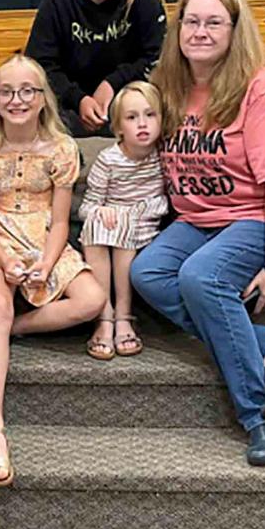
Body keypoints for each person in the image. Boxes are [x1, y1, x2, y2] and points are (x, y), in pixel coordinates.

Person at [131, 0, 265, 467]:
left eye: (214, 22)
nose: (200, 31)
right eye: (191, 22)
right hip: (201, 220)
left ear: (235, 31)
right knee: (147, 273)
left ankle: (262, 416)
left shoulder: (261, 90)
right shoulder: (169, 86)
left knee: (202, 277)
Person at [0, 54, 106, 487]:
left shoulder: (62, 148)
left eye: (27, 90)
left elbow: (62, 220)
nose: (17, 99)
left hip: (45, 237)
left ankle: (18, 330)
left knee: (93, 299)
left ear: (43, 98)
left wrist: (46, 261)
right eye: (6, 91)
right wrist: (4, 260)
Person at [24, 0, 167, 137]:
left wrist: (112, 83)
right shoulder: (58, 0)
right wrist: (78, 99)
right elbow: (40, 64)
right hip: (69, 104)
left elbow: (157, 58)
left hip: (127, 100)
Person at [79, 80, 169, 361]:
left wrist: (133, 212)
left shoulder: (163, 156)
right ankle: (104, 316)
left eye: (150, 115)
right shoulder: (108, 160)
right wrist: (100, 212)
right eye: (132, 118)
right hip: (109, 226)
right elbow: (86, 206)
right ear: (118, 128)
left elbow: (166, 201)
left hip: (143, 225)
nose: (142, 124)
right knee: (97, 224)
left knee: (124, 224)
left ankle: (124, 316)